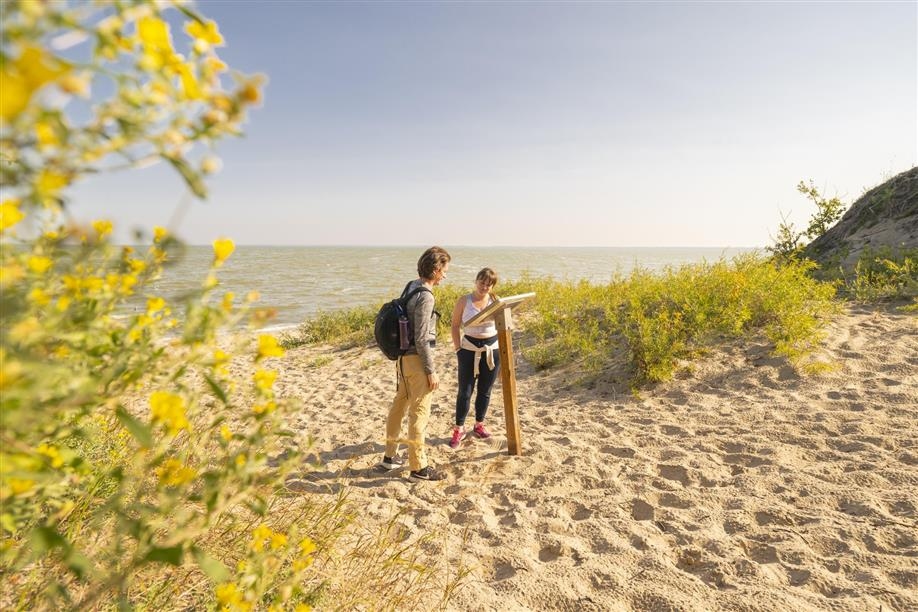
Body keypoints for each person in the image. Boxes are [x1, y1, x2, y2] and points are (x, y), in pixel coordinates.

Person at [381, 246, 451, 481]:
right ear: (435, 268)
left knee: (399, 406)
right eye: (444, 270)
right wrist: (431, 371)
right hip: (416, 361)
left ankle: (389, 458)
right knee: (419, 412)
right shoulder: (426, 296)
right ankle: (418, 468)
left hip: (402, 360)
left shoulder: (411, 286)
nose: (445, 275)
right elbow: (421, 338)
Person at [448, 267, 500, 449]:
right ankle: (459, 429)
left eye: (488, 284)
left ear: (492, 286)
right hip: (468, 349)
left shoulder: (495, 300)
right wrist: (458, 349)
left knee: (485, 390)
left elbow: (503, 324)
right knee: (465, 391)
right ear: (476, 281)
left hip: (491, 350)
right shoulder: (464, 300)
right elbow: (454, 326)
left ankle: (479, 425)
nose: (484, 287)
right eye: (482, 282)